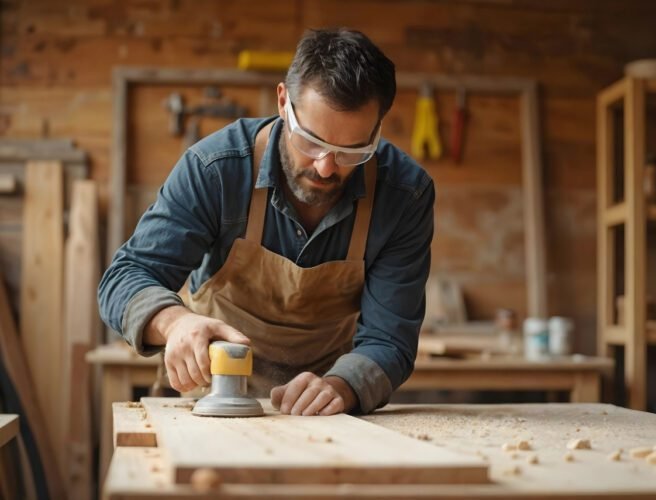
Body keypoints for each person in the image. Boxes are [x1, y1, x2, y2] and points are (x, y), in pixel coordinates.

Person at [98, 28, 434, 416]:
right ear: (282, 103)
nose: (325, 167)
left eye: (351, 151)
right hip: (212, 402)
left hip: (328, 411)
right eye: (310, 142)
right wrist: (175, 323)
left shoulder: (405, 194)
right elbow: (126, 277)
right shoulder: (215, 169)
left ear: (377, 129)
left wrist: (342, 387)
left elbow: (390, 338)